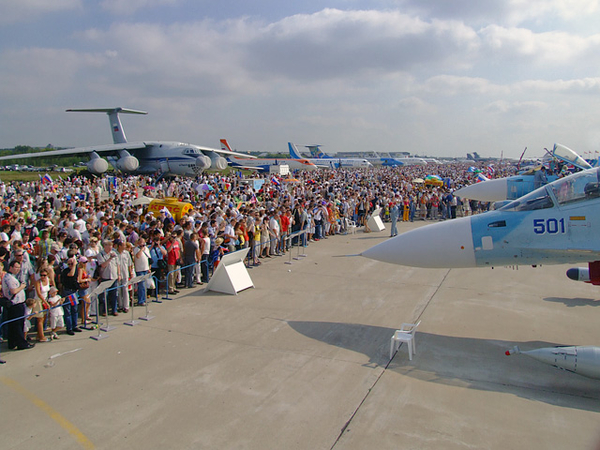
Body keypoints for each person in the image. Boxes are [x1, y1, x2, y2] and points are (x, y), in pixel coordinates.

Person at [2, 260, 34, 349]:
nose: (17, 269)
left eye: (19, 267)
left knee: (16, 325)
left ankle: (13, 343)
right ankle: (21, 343)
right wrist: (22, 286)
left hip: (19, 304)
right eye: (16, 267)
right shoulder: (9, 278)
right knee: (17, 325)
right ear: (10, 267)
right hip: (14, 305)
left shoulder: (13, 277)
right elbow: (13, 291)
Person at [96, 239, 120, 316]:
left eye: (111, 246)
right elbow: (103, 265)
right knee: (104, 296)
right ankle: (104, 310)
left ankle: (114, 309)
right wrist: (110, 258)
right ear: (104, 246)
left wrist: (119, 274)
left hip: (114, 277)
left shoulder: (114, 253)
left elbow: (118, 265)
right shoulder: (101, 255)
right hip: (105, 277)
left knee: (114, 294)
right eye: (108, 246)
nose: (110, 248)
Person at [60, 257, 81, 335]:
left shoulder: (76, 269)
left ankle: (74, 326)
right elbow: (71, 274)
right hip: (68, 291)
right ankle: (69, 328)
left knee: (74, 309)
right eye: (69, 264)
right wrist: (74, 265)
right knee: (68, 310)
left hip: (74, 291)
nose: (70, 265)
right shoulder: (65, 271)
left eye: (72, 264)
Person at [133, 238, 151, 306]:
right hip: (139, 269)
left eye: (143, 242)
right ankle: (140, 300)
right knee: (141, 285)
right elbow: (137, 256)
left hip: (146, 268)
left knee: (145, 285)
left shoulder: (146, 248)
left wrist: (149, 267)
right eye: (141, 243)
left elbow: (148, 258)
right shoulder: (136, 249)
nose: (142, 244)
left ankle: (144, 298)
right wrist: (141, 249)